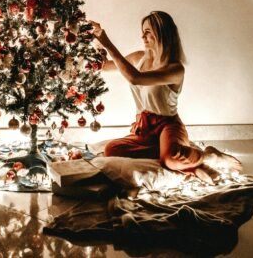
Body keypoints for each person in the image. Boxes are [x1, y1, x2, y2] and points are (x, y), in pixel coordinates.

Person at [90, 11, 242, 184]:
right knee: (111, 149)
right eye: (143, 30)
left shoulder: (175, 69)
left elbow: (135, 78)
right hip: (144, 127)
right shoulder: (138, 57)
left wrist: (107, 42)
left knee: (170, 160)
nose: (142, 35)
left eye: (148, 31)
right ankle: (180, 154)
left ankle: (207, 156)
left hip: (168, 126)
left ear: (162, 33)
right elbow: (103, 66)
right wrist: (97, 41)